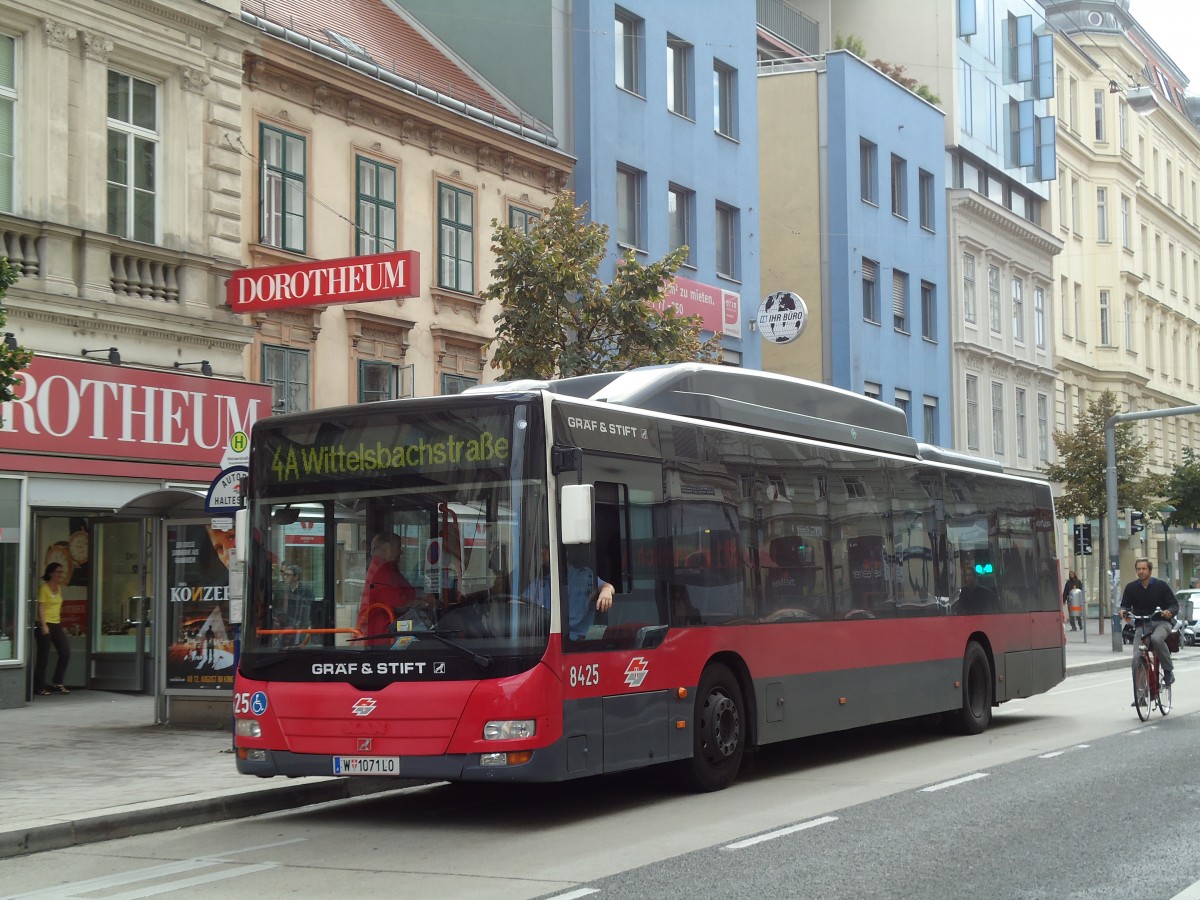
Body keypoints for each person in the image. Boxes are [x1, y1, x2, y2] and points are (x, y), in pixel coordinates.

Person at [522, 545, 614, 640]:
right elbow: (522, 601)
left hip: (579, 642)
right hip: (548, 639)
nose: (542, 551)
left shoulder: (584, 576)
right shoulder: (542, 581)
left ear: (564, 553)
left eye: (547, 547)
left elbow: (607, 587)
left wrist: (606, 591)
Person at [1120, 557, 1178, 684]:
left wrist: (1169, 612)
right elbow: (1125, 605)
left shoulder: (1161, 585)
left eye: (1144, 569)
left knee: (1157, 639)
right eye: (1138, 569)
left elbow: (1174, 605)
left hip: (1161, 623)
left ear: (1150, 571)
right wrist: (1123, 611)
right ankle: (1140, 695)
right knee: (1136, 658)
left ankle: (1168, 671)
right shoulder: (1131, 588)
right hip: (1143, 624)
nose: (1141, 571)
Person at [357, 532, 415, 640]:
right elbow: (400, 603)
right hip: (384, 636)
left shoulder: (378, 567)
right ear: (385, 550)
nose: (401, 552)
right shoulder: (384, 571)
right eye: (398, 547)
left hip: (379, 633)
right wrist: (424, 602)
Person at [34, 562, 70, 696]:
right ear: (51, 573)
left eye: (62, 572)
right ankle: (39, 686)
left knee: (65, 652)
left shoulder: (59, 588)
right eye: (58, 572)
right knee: (43, 656)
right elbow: (41, 606)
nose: (60, 574)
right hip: (45, 623)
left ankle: (57, 682)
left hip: (56, 623)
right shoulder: (44, 588)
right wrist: (43, 625)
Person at [277, 563, 315, 644]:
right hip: (285, 627)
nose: (284, 577)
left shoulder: (306, 591)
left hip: (300, 627)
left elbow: (310, 610)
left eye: (288, 575)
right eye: (284, 574)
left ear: (296, 577)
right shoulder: (282, 590)